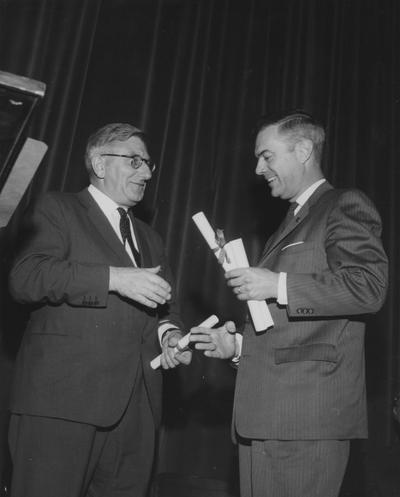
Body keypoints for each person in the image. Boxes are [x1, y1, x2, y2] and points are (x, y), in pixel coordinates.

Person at [190, 111, 388, 497]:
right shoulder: (290, 221)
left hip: (304, 420)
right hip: (266, 416)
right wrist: (238, 348)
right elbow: (291, 328)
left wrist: (276, 283)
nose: (258, 167)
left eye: (267, 156)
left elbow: (369, 286)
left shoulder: (344, 204)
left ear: (302, 150)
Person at [7, 123, 191, 497]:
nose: (147, 172)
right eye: (136, 161)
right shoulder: (57, 208)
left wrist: (169, 335)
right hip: (63, 404)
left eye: (149, 164)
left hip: (136, 414)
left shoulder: (151, 238)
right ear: (100, 164)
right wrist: (113, 278)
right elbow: (25, 277)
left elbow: (165, 308)